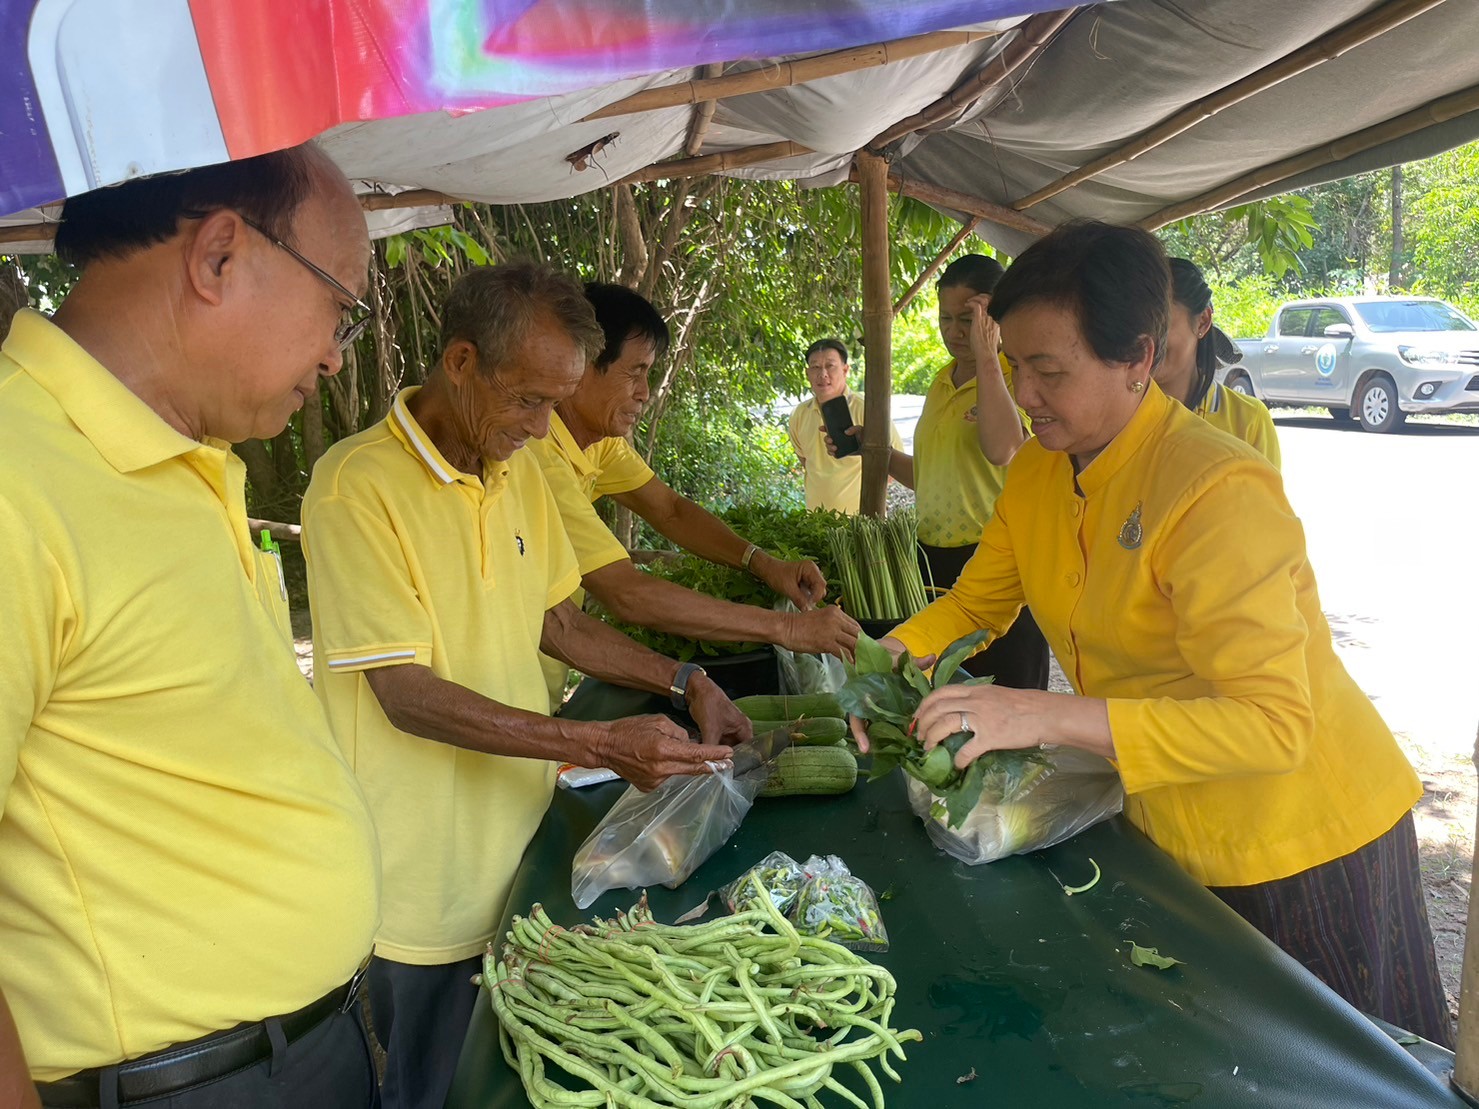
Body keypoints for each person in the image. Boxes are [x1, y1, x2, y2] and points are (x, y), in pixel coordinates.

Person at [867, 220, 1450, 1046]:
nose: (1023, 395)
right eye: (1011, 365)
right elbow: (972, 607)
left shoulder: (1211, 487)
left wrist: (1038, 714)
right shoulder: (1037, 469)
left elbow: (1271, 721)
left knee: (1343, 1067)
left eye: (1048, 371)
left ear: (1137, 358)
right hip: (1174, 827)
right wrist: (879, 661)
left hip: (1301, 837)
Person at [301, 262, 749, 1109]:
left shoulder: (515, 472)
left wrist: (685, 679)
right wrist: (600, 741)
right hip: (420, 892)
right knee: (438, 1089)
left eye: (555, 403)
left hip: (526, 854)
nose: (543, 429)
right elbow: (406, 692)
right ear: (460, 361)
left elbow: (562, 624)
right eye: (525, 400)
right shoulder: (357, 487)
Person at [0, 145, 381, 1105]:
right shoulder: (17, 479)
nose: (338, 352)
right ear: (218, 257)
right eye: (341, 305)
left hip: (301, 1051)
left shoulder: (188, 458)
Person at [532, 283, 855, 702]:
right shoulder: (538, 456)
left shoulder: (598, 441)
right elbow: (625, 592)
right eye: (635, 372)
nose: (645, 393)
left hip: (539, 681)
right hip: (499, 689)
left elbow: (670, 511)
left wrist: (764, 564)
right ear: (580, 366)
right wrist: (787, 628)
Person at [843, 255, 1049, 689]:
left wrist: (989, 355)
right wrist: (869, 450)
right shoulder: (941, 380)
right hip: (933, 564)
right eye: (945, 319)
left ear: (993, 318)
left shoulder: (1017, 378)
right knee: (948, 706)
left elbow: (1004, 450)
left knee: (1006, 703)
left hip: (995, 563)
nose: (954, 331)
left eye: (967, 319)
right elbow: (930, 476)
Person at [1156, 257, 1281, 466]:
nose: (1145, 340)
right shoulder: (1118, 415)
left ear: (1203, 321)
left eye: (1160, 324)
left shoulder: (1248, 421)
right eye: (1136, 325)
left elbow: (1263, 498)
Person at [786, 338, 901, 513]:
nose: (823, 374)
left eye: (830, 366)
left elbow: (894, 469)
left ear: (845, 370)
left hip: (862, 524)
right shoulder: (799, 415)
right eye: (815, 367)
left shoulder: (868, 411)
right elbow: (806, 462)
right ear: (807, 373)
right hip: (816, 524)